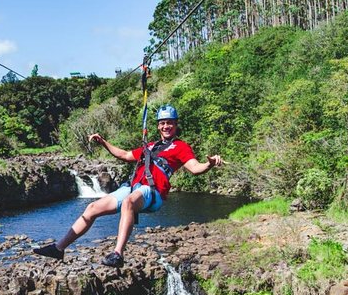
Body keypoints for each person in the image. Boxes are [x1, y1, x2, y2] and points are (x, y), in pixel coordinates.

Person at [33, 105, 222, 268]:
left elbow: (195, 168)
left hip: (152, 191)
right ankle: (59, 249)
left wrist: (209, 164)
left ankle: (118, 254)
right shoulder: (150, 146)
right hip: (133, 186)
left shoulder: (181, 147)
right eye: (163, 123)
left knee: (129, 202)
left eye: (170, 123)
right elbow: (124, 155)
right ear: (158, 126)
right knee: (91, 208)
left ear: (176, 124)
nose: (166, 126)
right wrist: (104, 143)